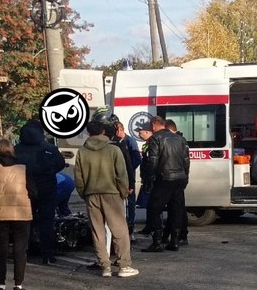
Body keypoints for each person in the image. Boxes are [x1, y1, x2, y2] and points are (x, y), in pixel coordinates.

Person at [74, 119, 139, 278]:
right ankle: (124, 265)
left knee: (98, 232)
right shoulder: (113, 150)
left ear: (88, 133)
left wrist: (84, 194)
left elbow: (79, 178)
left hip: (91, 195)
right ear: (103, 131)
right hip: (112, 194)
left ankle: (104, 266)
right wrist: (123, 192)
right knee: (119, 230)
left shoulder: (82, 152)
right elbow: (121, 175)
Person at [0, 137, 37, 290]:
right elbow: (34, 192)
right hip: (21, 214)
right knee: (20, 250)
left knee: (1, 251)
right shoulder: (23, 169)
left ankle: (1, 287)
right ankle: (18, 285)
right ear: (12, 151)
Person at [15, 118, 66, 264]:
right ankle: (47, 254)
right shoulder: (49, 148)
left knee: (25, 221)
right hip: (47, 188)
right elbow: (60, 164)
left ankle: (26, 251)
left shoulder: (17, 149)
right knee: (47, 221)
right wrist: (49, 172)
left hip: (24, 188)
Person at [141, 115, 189, 253]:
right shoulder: (180, 139)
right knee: (176, 209)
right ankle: (175, 241)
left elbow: (153, 161)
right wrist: (185, 177)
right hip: (179, 178)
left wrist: (149, 179)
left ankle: (157, 241)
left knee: (154, 209)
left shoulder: (155, 138)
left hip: (164, 178)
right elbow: (186, 161)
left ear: (154, 125)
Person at [111, 120, 141, 235]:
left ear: (120, 129)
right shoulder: (115, 141)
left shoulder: (130, 141)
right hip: (118, 176)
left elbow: (137, 159)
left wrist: (128, 170)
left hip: (129, 175)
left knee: (131, 202)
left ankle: (131, 224)